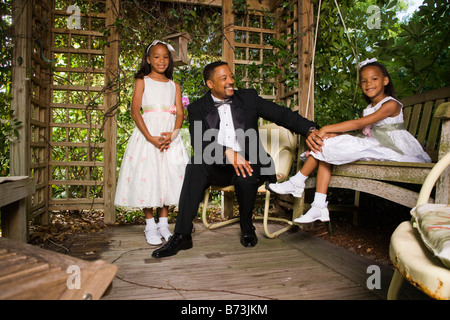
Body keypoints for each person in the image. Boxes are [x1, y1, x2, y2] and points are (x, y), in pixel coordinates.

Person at [151, 61, 322, 258]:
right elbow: (199, 144)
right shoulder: (198, 108)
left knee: (246, 174)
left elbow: (281, 114)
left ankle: (247, 227)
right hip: (220, 165)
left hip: (250, 160)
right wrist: (227, 152)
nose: (231, 81)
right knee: (195, 164)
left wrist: (309, 129)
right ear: (210, 84)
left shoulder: (248, 98)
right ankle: (182, 235)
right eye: (224, 79)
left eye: (231, 76)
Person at [268, 58, 432, 223]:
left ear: (385, 81)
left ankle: (299, 183)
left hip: (393, 147)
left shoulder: (390, 104)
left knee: (326, 141)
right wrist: (333, 136)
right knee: (327, 143)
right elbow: (361, 132)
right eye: (364, 81)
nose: (369, 84)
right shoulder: (369, 108)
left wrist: (326, 129)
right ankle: (317, 205)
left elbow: (359, 124)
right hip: (375, 143)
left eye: (374, 79)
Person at [114, 40, 188, 245]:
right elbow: (134, 111)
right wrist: (149, 137)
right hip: (147, 136)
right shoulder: (142, 81)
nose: (161, 60)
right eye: (156, 56)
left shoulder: (175, 85)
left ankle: (164, 224)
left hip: (168, 137)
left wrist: (172, 135)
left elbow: (180, 114)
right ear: (148, 59)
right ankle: (150, 225)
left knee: (166, 177)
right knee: (148, 175)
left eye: (165, 57)